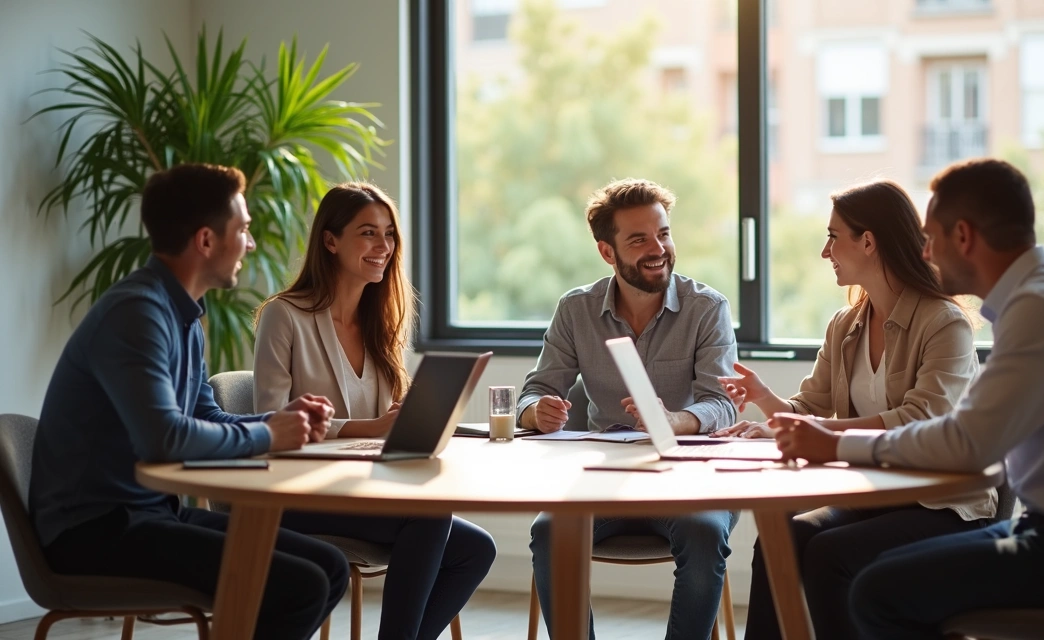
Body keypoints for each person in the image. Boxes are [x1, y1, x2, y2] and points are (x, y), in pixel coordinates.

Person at [769, 158, 1044, 639]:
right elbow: (970, 434)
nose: (924, 251)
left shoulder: (1042, 309)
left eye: (930, 237)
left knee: (878, 589)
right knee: (848, 563)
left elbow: (966, 443)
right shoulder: (1042, 297)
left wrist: (836, 445)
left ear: (963, 236)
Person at [29, 163, 348, 640]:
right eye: (242, 230)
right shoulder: (138, 313)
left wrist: (280, 420)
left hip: (150, 513)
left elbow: (203, 417)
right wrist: (268, 434)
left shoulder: (183, 316)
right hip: (93, 531)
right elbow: (163, 439)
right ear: (205, 240)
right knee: (299, 584)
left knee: (328, 565)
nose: (251, 243)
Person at [714, 179, 995, 639]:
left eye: (832, 237)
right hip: (873, 496)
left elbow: (922, 420)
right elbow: (810, 408)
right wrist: (767, 403)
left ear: (868, 241)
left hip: (940, 502)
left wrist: (824, 434)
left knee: (829, 554)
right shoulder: (845, 325)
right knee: (781, 537)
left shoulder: (944, 324)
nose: (826, 252)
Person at [253, 182, 496, 640]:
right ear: (330, 240)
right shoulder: (284, 316)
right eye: (368, 233)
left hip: (363, 488)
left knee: (475, 549)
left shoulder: (380, 323)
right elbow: (271, 419)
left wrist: (413, 421)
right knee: (430, 516)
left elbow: (387, 423)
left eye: (389, 235)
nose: (383, 246)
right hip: (297, 494)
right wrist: (373, 426)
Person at [520, 177, 739, 640]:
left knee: (704, 533)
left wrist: (675, 420)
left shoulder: (707, 308)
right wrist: (535, 412)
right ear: (607, 252)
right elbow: (535, 389)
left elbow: (724, 404)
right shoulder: (575, 310)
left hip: (689, 478)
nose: (657, 248)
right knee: (549, 533)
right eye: (638, 239)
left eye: (663, 233)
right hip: (605, 479)